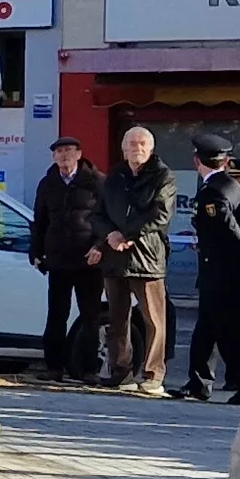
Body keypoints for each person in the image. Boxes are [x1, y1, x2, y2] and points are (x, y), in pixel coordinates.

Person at [181, 140, 240, 405]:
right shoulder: (232, 186)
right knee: (205, 329)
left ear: (197, 161)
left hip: (222, 274)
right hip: (225, 273)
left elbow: (230, 233)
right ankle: (199, 382)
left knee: (230, 334)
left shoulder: (213, 191)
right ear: (225, 161)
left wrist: (218, 253)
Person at [98, 125, 176, 398]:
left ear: (151, 148)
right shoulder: (114, 176)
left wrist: (128, 235)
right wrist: (110, 235)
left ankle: (153, 376)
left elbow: (160, 215)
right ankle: (121, 372)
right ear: (124, 148)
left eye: (142, 143)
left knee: (154, 320)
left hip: (147, 258)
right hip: (115, 258)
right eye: (132, 143)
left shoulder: (163, 176)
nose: (137, 148)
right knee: (117, 319)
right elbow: (97, 213)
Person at [28, 138, 111, 384]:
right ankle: (54, 368)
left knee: (90, 317)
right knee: (56, 315)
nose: (64, 156)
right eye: (59, 152)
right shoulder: (48, 184)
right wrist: (36, 251)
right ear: (54, 157)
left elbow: (107, 219)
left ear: (79, 154)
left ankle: (88, 370)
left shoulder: (97, 181)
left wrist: (100, 246)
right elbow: (40, 221)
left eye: (68, 151)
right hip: (58, 260)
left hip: (89, 261)